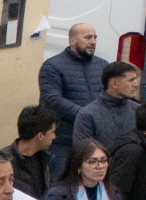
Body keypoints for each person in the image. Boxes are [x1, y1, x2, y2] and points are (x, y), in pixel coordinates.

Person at [38, 23, 109, 169]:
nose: (93, 41)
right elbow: (53, 100)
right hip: (63, 140)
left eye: (95, 37)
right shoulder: (52, 66)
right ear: (72, 41)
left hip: (94, 140)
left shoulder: (102, 66)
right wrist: (85, 116)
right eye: (88, 37)